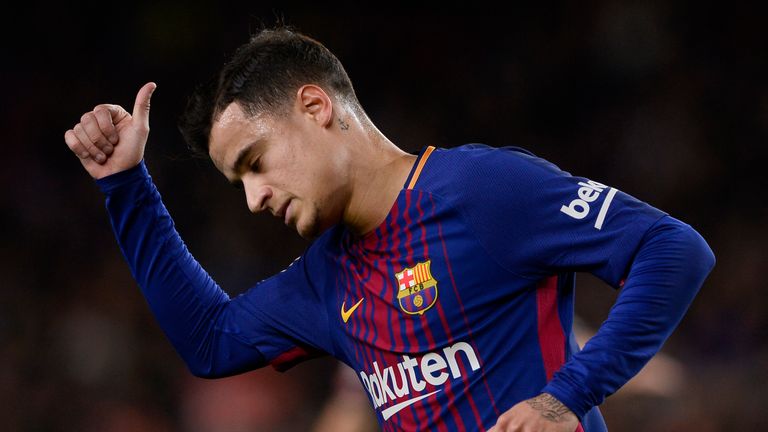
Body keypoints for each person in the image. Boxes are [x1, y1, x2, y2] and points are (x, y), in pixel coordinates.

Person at [64, 26, 715, 431]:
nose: (255, 199)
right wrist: (125, 184)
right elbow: (209, 342)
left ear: (315, 106)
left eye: (255, 165)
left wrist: (564, 397)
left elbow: (672, 247)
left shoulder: (480, 190)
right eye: (241, 185)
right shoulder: (326, 277)